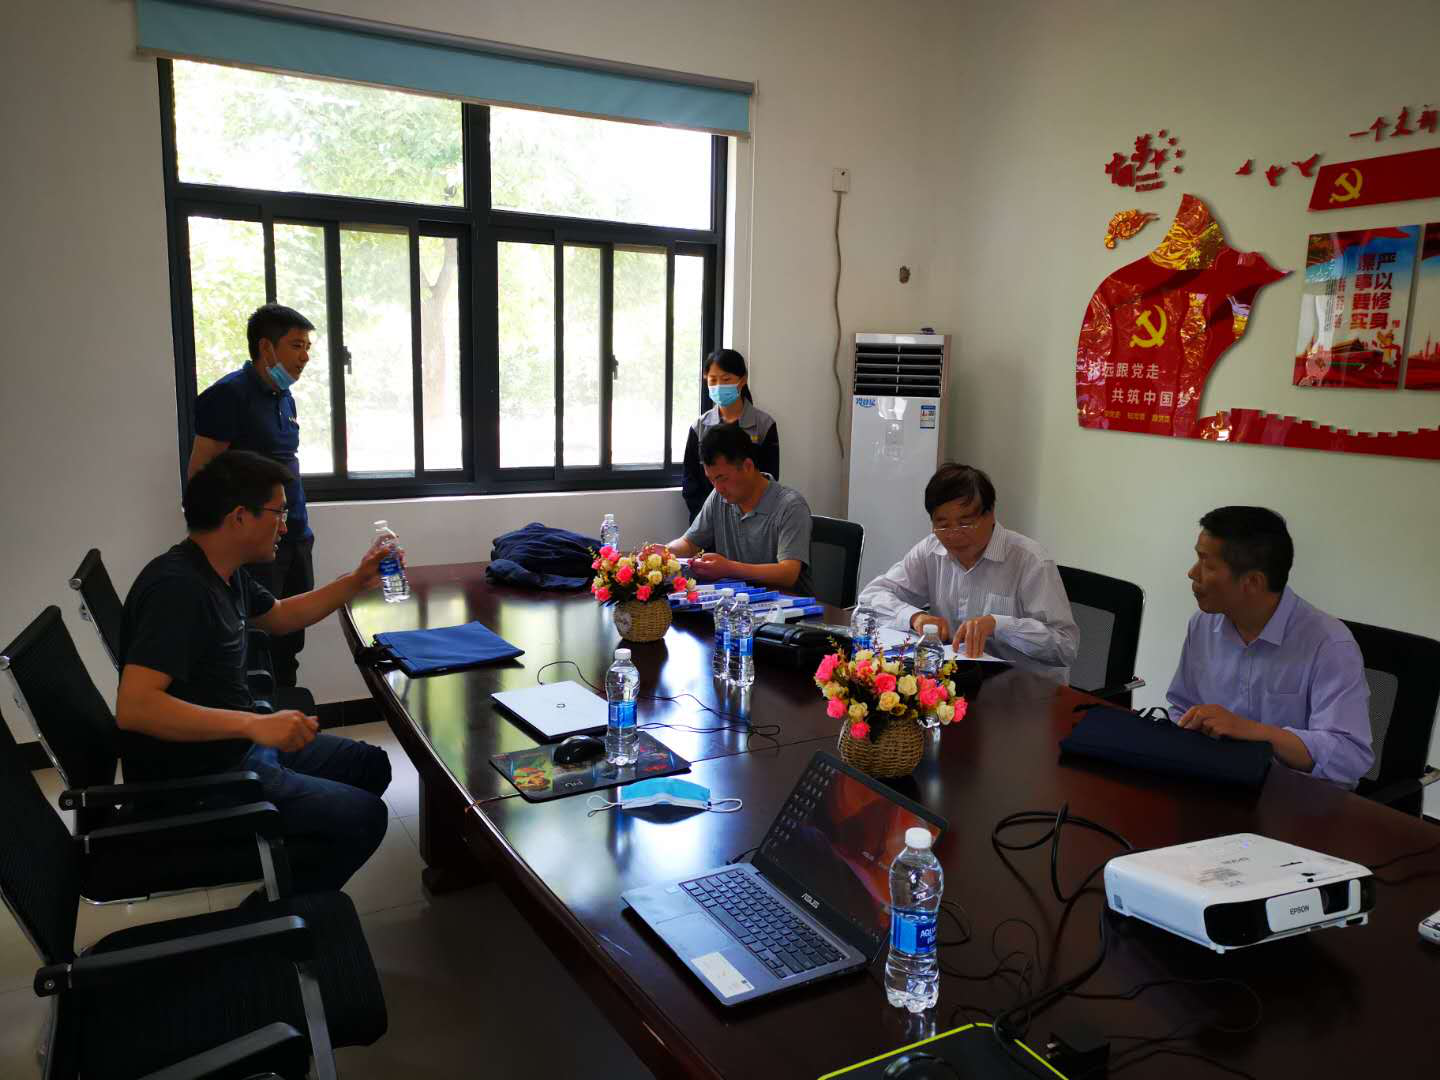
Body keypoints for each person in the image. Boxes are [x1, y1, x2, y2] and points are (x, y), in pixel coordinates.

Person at [116, 450, 393, 894]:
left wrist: (356, 580)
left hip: (241, 746)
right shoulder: (177, 589)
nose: (285, 526)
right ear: (240, 517)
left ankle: (295, 869)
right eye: (278, 513)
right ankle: (276, 918)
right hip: (204, 778)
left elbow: (279, 616)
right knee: (365, 818)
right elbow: (136, 708)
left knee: (371, 765)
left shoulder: (222, 571)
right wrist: (254, 725)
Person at [1167, 506, 1373, 788]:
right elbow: (1181, 706)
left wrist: (1249, 731)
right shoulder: (1202, 625)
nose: (1192, 573)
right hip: (1217, 781)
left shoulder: (1330, 645)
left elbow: (1349, 757)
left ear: (1252, 582)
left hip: (1296, 797)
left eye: (1207, 564)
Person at [188, 304, 316, 688]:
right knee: (255, 644)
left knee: (290, 642)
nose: (305, 357)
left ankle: (288, 710)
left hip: (294, 535)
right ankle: (256, 718)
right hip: (253, 544)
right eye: (296, 346)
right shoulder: (228, 395)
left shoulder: (285, 397)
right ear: (266, 348)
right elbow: (200, 476)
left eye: (308, 347)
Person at [857, 464, 1078, 670]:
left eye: (965, 523)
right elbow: (871, 597)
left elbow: (1066, 646)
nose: (954, 535)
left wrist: (999, 625)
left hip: (1025, 687)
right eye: (943, 525)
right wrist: (915, 617)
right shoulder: (931, 550)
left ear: (990, 514)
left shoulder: (1030, 561)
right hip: (956, 680)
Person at [668, 423, 813, 595]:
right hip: (736, 603)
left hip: (785, 606)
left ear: (748, 466)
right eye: (711, 480)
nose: (718, 488)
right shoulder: (718, 498)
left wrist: (729, 568)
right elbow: (690, 543)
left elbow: (788, 573)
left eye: (722, 478)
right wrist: (665, 552)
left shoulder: (791, 506)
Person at [681, 349, 779, 521]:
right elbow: (690, 480)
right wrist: (707, 516)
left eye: (726, 379)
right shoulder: (699, 427)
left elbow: (769, 477)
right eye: (713, 380)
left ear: (742, 380)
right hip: (707, 519)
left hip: (752, 518)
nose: (719, 386)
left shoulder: (764, 425)